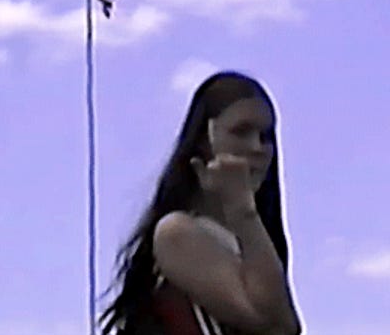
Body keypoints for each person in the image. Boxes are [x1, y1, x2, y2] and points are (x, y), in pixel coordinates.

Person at [97, 70, 302, 335]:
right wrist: (242, 212)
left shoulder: (249, 243)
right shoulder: (177, 232)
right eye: (241, 132)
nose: (256, 147)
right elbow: (278, 327)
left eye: (266, 137)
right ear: (205, 140)